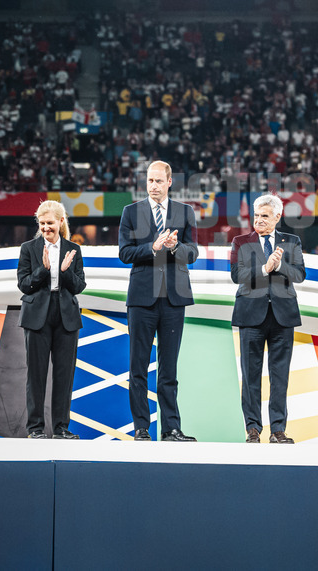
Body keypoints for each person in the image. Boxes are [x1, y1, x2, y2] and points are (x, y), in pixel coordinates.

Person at [118, 161, 199, 442]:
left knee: (169, 369)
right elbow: (125, 253)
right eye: (149, 181)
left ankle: (171, 429)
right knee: (138, 366)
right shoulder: (131, 212)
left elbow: (193, 253)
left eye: (157, 181)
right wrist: (151, 247)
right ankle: (141, 428)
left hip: (173, 299)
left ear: (169, 182)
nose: (153, 186)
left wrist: (175, 246)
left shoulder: (185, 212)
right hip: (141, 299)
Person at [230, 194, 306, 444]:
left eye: (265, 216)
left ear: (277, 217)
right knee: (250, 376)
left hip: (283, 317)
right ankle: (253, 429)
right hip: (251, 316)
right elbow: (237, 275)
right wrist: (265, 269)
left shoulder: (291, 241)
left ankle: (278, 430)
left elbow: (300, 274)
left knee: (279, 376)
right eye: (256, 216)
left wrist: (279, 265)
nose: (259, 220)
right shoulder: (240, 242)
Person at [17, 200, 86, 439]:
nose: (46, 227)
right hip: (37, 315)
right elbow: (24, 284)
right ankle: (35, 428)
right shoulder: (28, 248)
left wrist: (65, 272)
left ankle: (61, 428)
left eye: (50, 223)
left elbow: (79, 286)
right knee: (35, 375)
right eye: (42, 223)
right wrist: (43, 270)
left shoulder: (73, 249)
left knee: (64, 376)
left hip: (66, 315)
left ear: (61, 222)